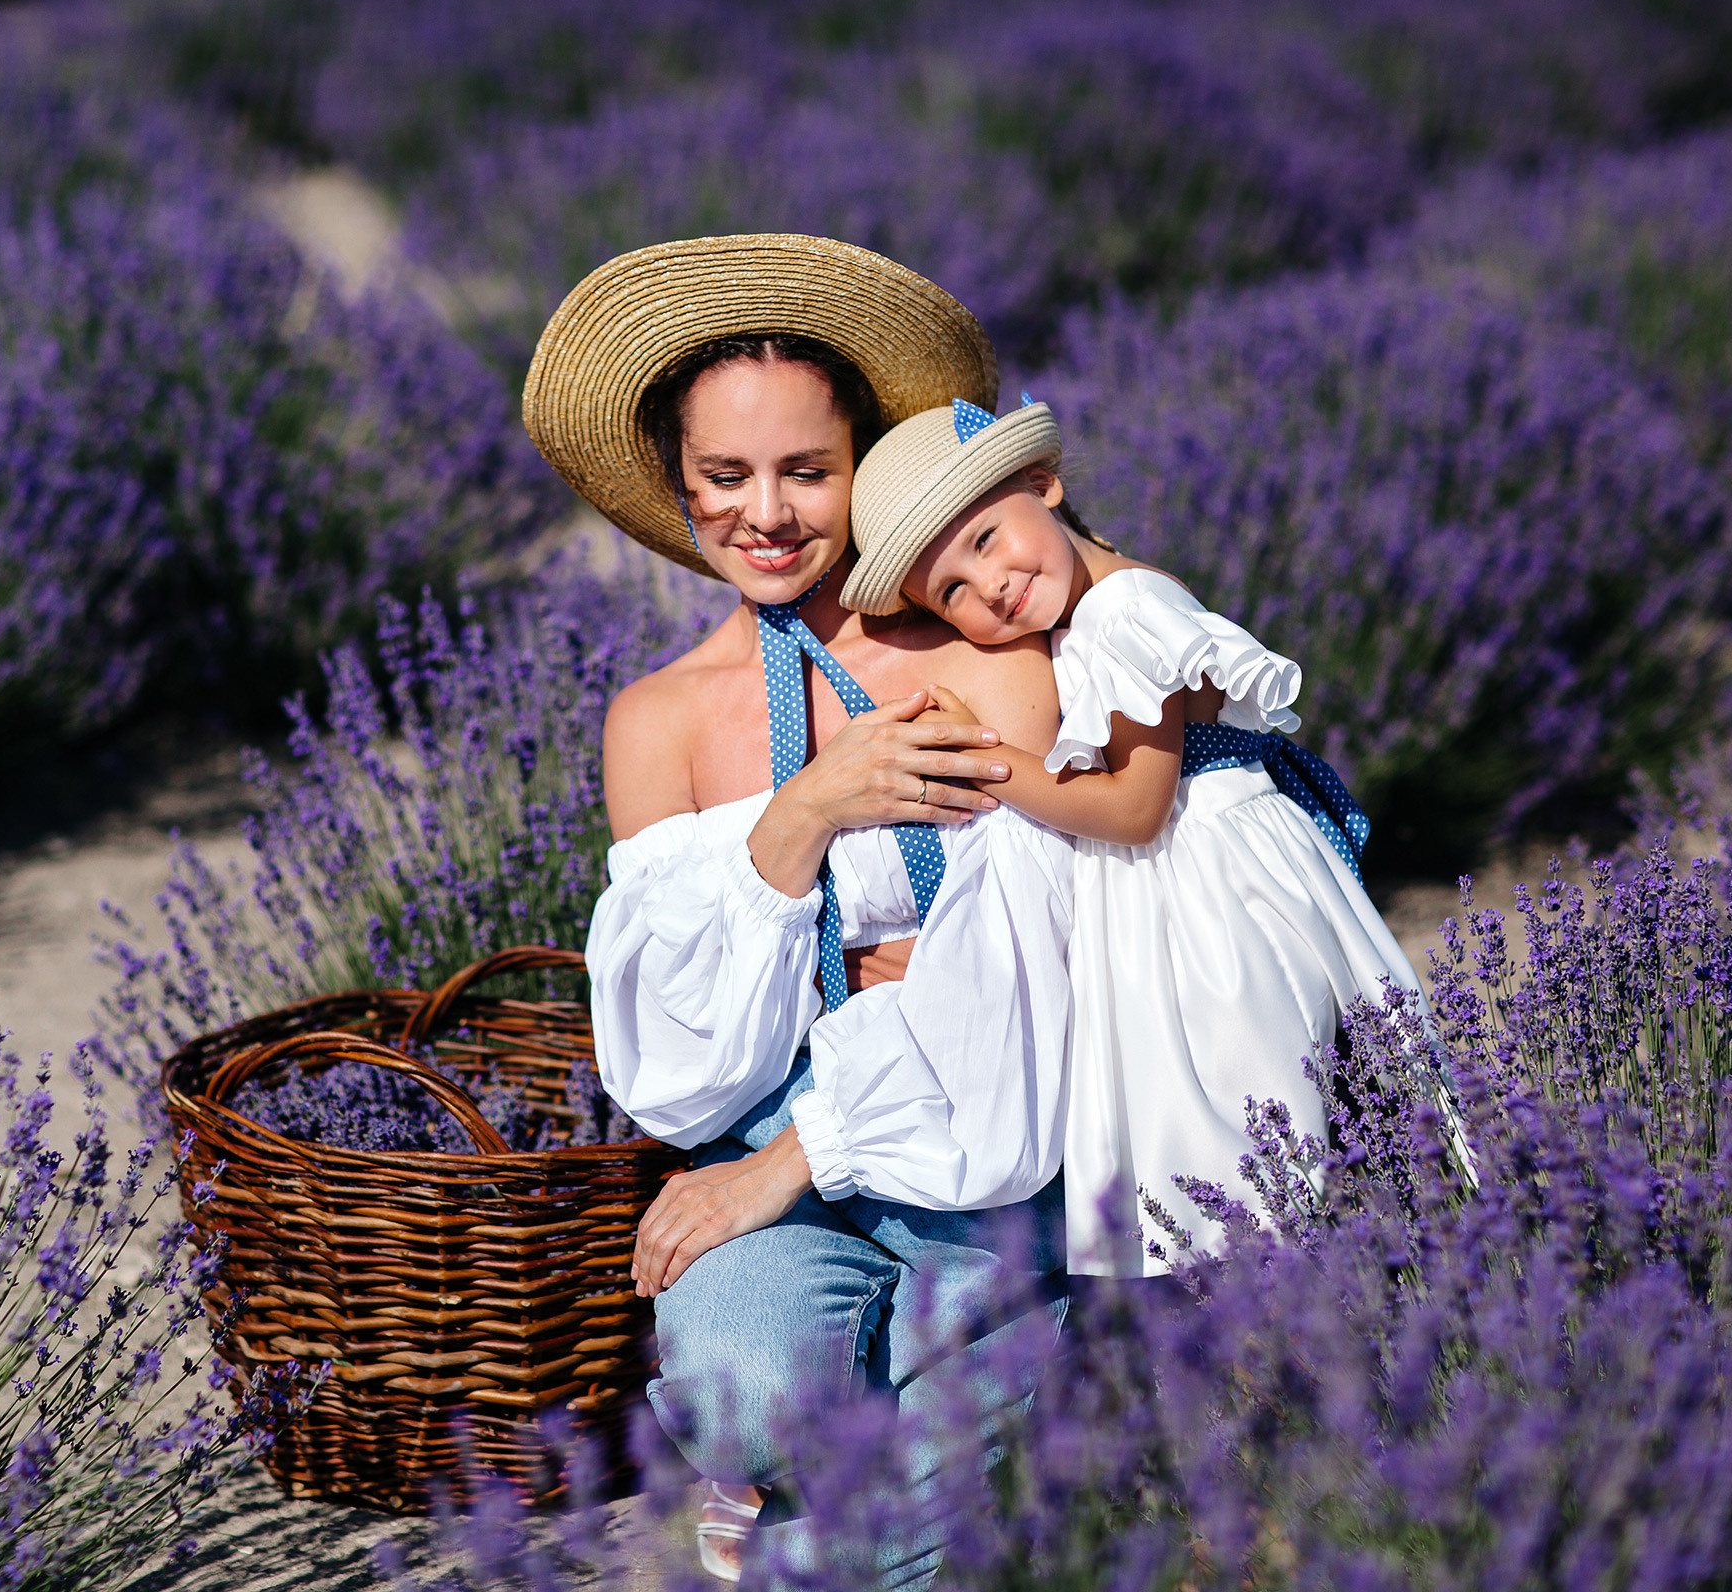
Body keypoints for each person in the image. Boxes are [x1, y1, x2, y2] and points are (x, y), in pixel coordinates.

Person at [521, 234, 1079, 1586]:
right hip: (777, 1139)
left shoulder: (977, 645)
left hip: (989, 1137)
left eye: (805, 473)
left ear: (863, 468)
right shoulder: (655, 724)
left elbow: (1061, 956)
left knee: (881, 1562)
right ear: (678, 482)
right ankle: (771, 1459)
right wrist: (801, 814)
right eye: (725, 475)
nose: (763, 512)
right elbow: (685, 1077)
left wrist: (793, 1160)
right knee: (741, 1391)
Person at [823, 394, 1425, 1274]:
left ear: (1044, 483)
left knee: (1242, 1097)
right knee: (1217, 1123)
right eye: (951, 590)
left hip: (1211, 886)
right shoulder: (1087, 612)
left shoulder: (1125, 612)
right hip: (1181, 876)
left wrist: (984, 756)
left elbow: (1136, 806)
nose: (987, 585)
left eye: (986, 539)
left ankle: (1296, 1297)